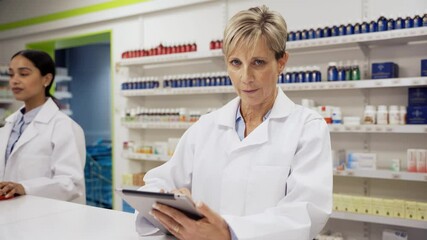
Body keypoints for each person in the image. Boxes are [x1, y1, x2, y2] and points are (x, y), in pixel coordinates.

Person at [135, 5, 332, 240]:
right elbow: (158, 181)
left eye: (258, 62)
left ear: (281, 62)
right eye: (236, 63)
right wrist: (171, 202)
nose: (246, 77)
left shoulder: (307, 128)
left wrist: (229, 232)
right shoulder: (206, 126)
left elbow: (304, 215)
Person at [0, 50, 86, 204]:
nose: (14, 80)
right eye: (11, 74)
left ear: (46, 79)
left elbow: (71, 183)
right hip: (10, 213)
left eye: (23, 74)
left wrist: (24, 187)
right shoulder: (9, 126)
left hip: (47, 217)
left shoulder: (64, 126)